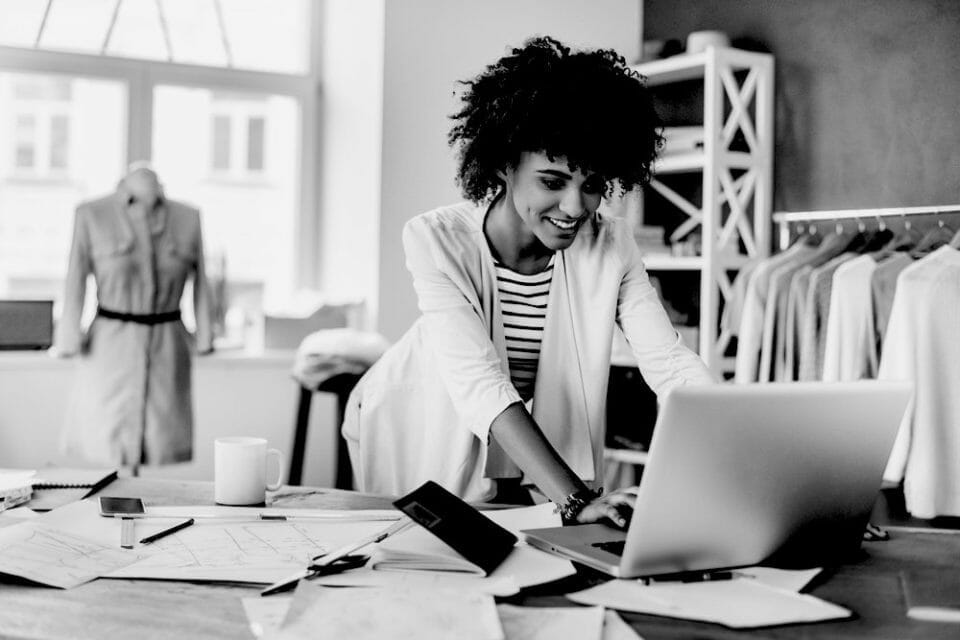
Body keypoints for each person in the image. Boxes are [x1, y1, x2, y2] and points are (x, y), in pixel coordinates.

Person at [342, 36, 714, 525]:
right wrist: (576, 500)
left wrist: (726, 443)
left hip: (510, 438)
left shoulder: (611, 246)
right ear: (504, 164)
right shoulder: (435, 240)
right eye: (552, 182)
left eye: (593, 185)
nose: (575, 208)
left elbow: (668, 363)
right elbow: (481, 384)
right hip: (412, 417)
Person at [53, 163, 214, 470]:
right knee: (109, 439)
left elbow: (203, 282)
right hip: (110, 346)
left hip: (167, 343)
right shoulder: (91, 214)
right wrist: (68, 339)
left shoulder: (188, 218)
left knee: (158, 437)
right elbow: (74, 280)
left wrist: (205, 337)